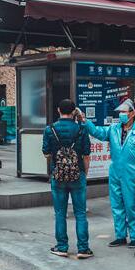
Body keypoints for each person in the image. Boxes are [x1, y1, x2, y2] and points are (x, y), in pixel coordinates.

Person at [81, 99, 135, 249]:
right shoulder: (113, 129)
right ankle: (120, 236)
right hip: (115, 173)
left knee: (131, 206)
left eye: (124, 112)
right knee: (116, 205)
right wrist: (86, 122)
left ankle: (134, 236)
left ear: (132, 114)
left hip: (132, 175)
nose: (121, 115)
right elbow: (98, 132)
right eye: (120, 112)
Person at [42, 99, 93, 259]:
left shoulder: (50, 129)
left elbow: (46, 153)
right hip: (78, 175)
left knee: (60, 213)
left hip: (58, 176)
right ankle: (83, 248)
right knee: (80, 213)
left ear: (58, 110)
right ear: (73, 112)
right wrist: (85, 172)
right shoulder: (81, 129)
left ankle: (62, 246)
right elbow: (86, 155)